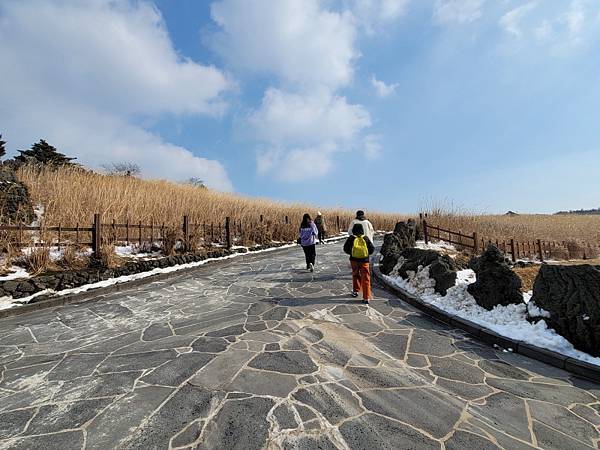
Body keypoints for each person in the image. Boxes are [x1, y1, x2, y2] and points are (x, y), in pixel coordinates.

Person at [343, 223, 375, 304]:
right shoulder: (366, 238)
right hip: (364, 261)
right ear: (362, 230)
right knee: (366, 278)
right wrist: (365, 254)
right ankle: (366, 297)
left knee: (355, 275)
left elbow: (345, 249)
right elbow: (372, 249)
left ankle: (356, 291)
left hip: (354, 260)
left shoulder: (351, 238)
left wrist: (352, 252)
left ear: (353, 230)